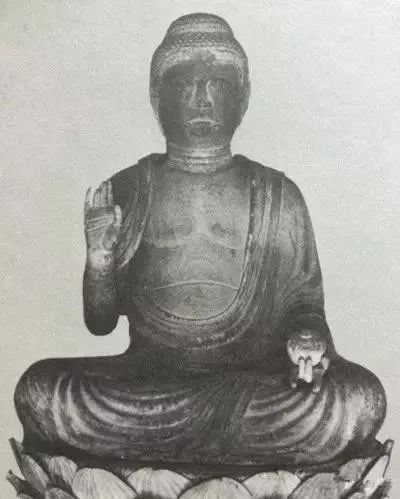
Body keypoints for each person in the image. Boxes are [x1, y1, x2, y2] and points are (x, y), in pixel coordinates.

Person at [15, 13, 386, 467]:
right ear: (158, 97)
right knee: (40, 390)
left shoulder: (278, 195)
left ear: (242, 99)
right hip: (149, 383)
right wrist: (99, 261)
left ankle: (159, 458)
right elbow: (100, 321)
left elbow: (304, 304)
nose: (202, 99)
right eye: (185, 85)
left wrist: (308, 339)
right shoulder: (129, 189)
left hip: (252, 381)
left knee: (359, 401)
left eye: (218, 84)